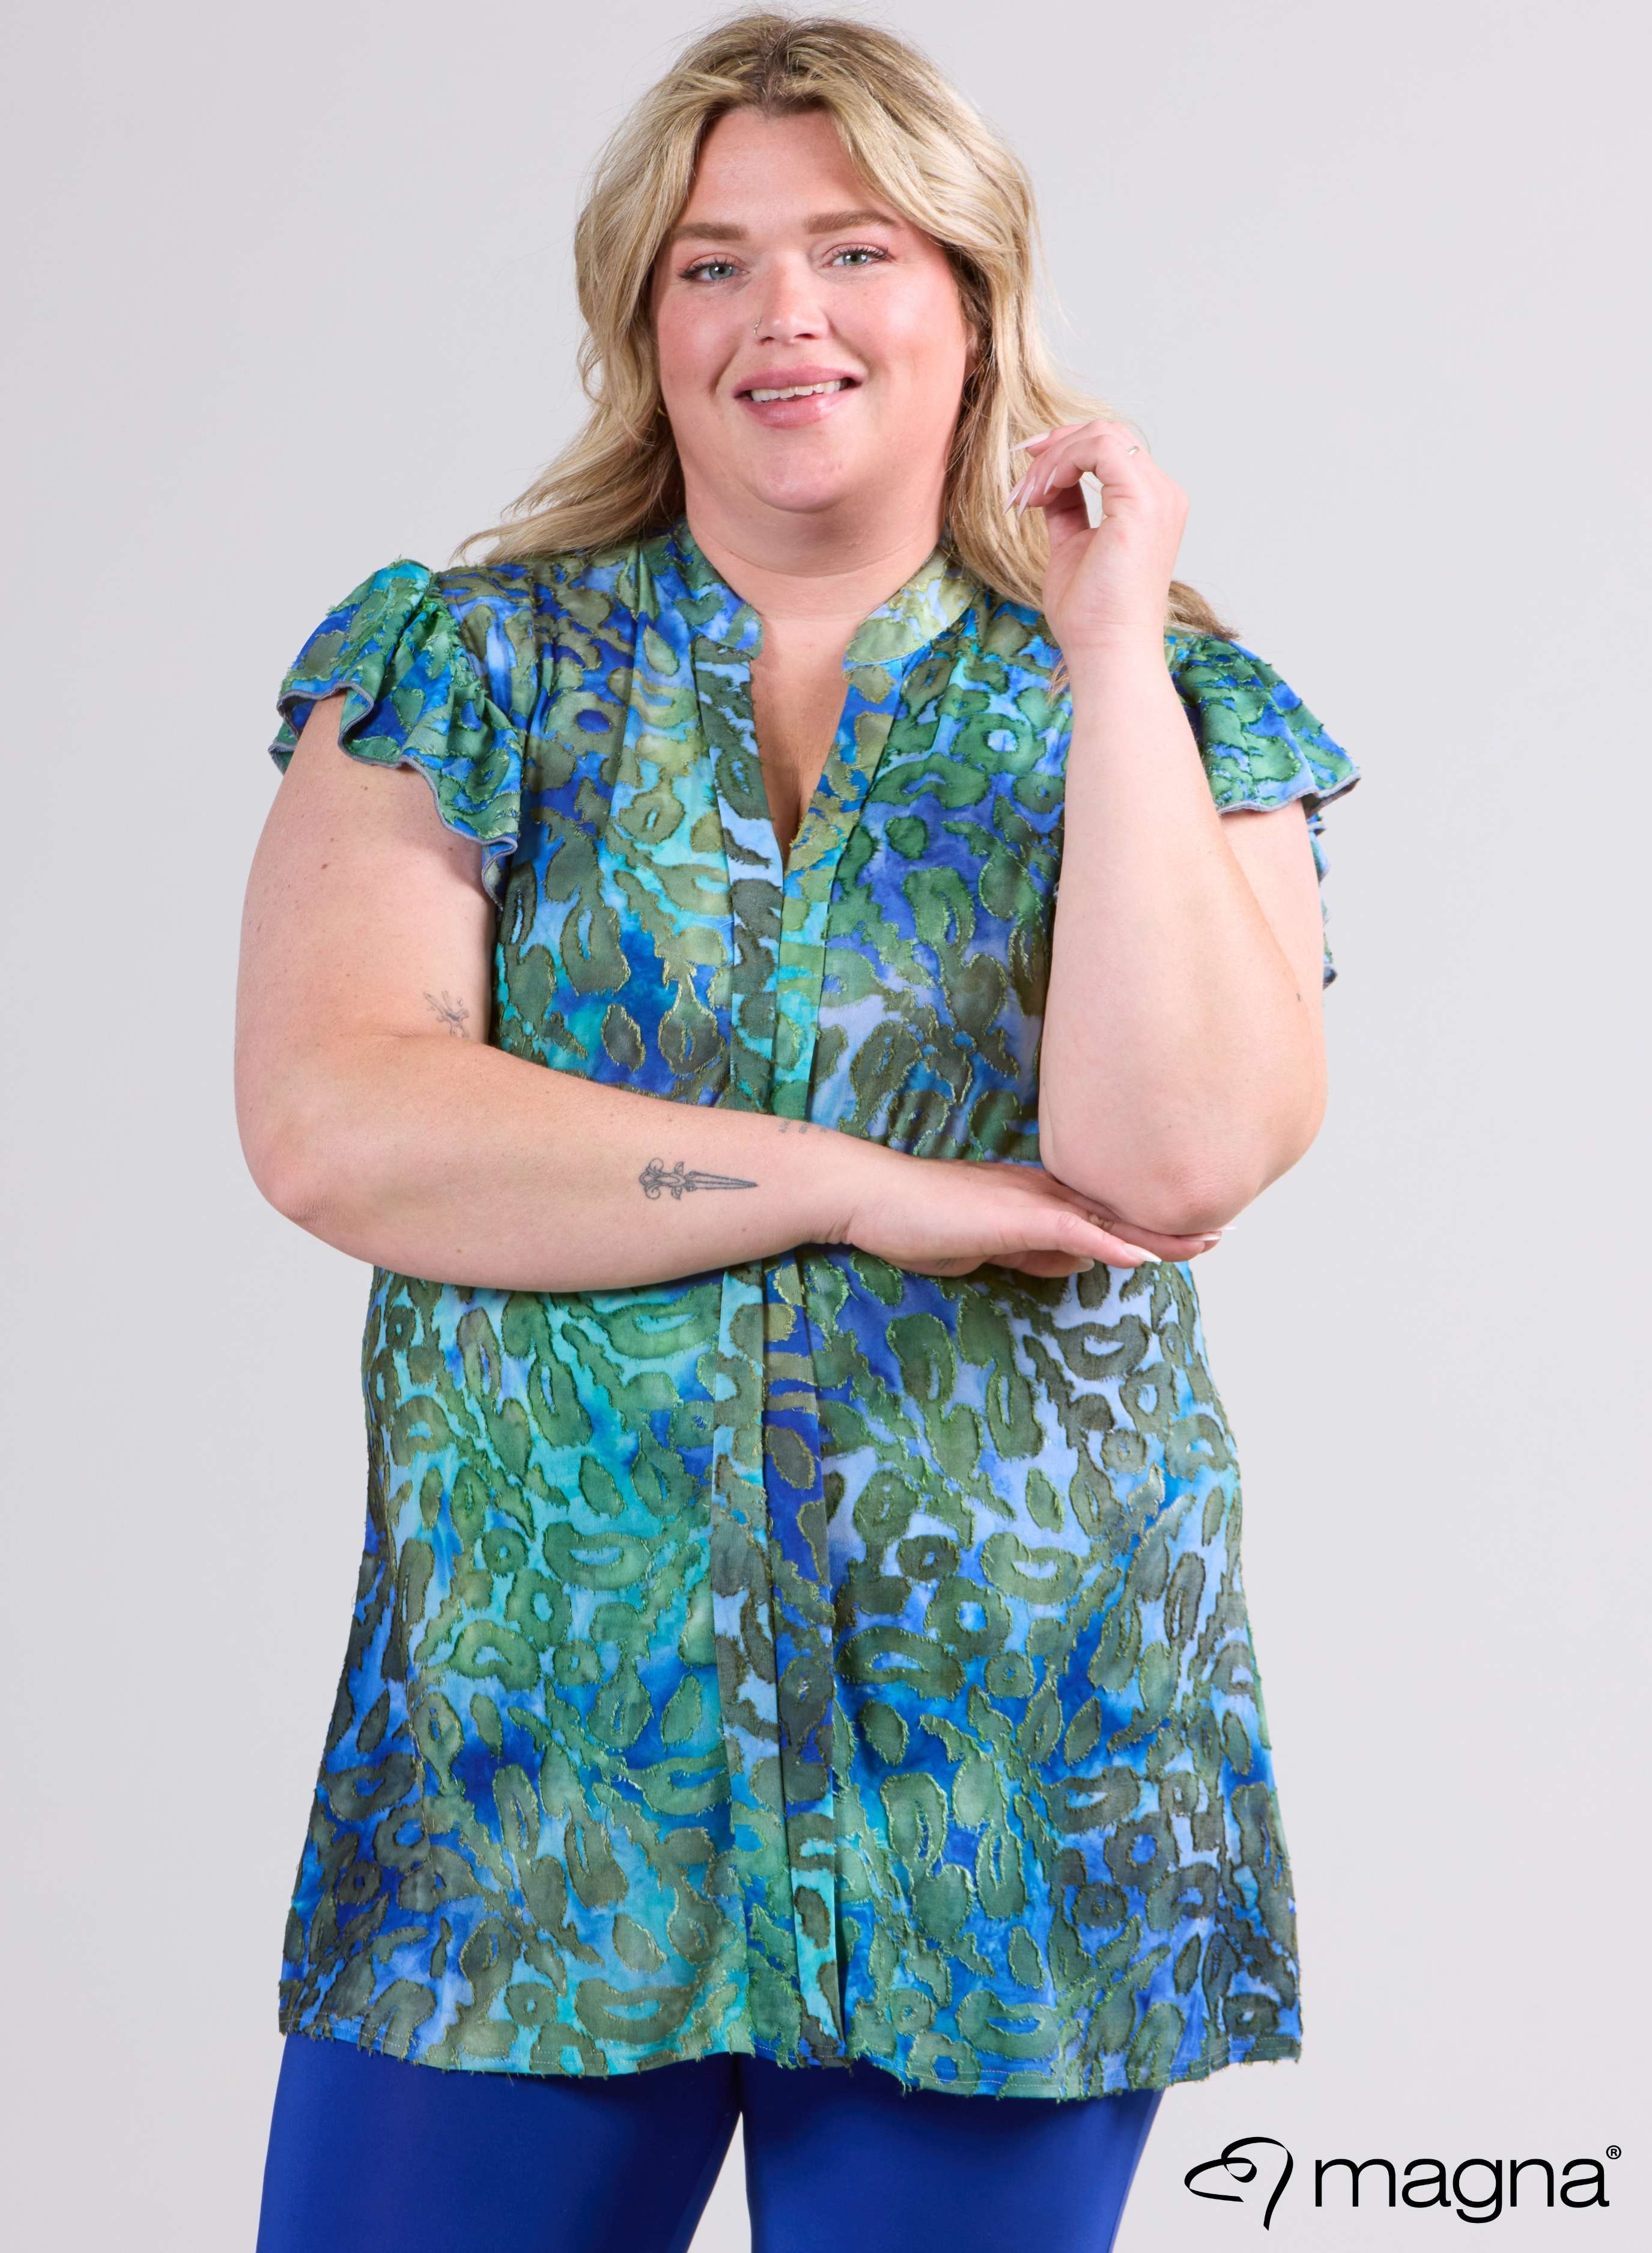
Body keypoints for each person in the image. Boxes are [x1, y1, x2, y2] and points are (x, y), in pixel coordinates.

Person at [237, 12, 1359, 2251]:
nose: (786, 315)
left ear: (972, 296)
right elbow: (342, 1122)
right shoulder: (466, 671)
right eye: (712, 264)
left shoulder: (1163, 699)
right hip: (532, 1782)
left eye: (856, 250)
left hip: (1016, 1784)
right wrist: (866, 1192)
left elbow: (1174, 1157)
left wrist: (1110, 644)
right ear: (641, 323)